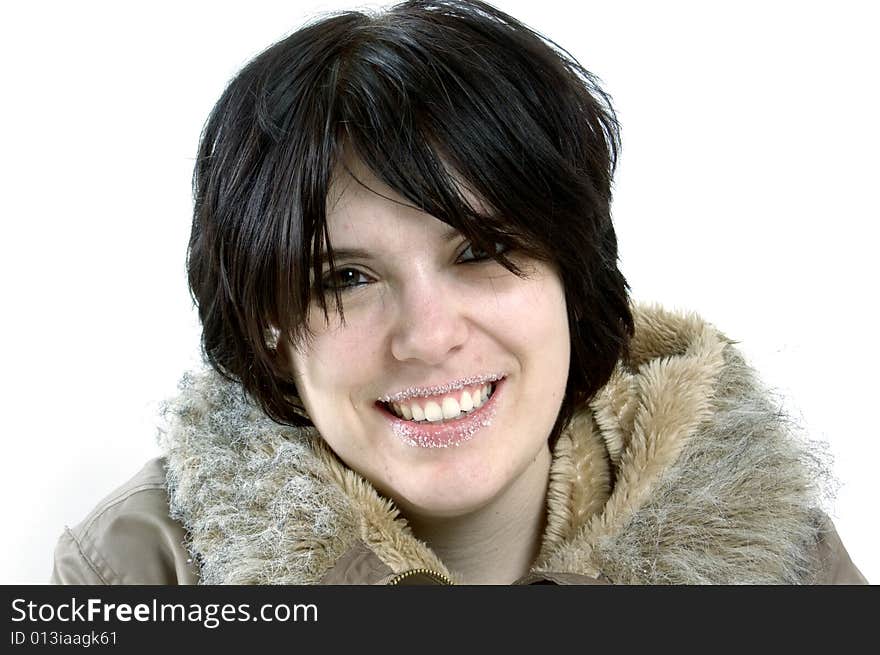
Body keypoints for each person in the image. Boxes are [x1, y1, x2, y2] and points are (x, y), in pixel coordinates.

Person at [50, 0, 866, 585]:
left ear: (572, 276)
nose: (429, 334)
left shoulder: (782, 560)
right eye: (345, 277)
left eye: (481, 250)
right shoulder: (137, 573)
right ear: (267, 324)